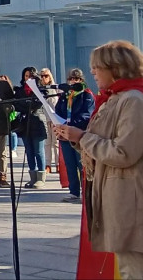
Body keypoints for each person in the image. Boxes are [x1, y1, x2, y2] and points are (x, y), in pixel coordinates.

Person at [56, 40, 143, 279]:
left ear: (116, 68)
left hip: (133, 200)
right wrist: (77, 138)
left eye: (97, 67)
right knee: (128, 268)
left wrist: (83, 138)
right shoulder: (117, 98)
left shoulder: (133, 100)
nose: (92, 72)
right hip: (123, 198)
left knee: (135, 271)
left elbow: (124, 153)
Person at [55, 68, 95, 204]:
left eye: (76, 79)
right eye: (71, 79)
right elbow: (58, 111)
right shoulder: (65, 96)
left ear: (81, 80)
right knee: (69, 164)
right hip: (64, 134)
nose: (73, 81)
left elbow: (87, 114)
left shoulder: (87, 95)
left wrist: (71, 124)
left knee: (81, 163)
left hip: (78, 134)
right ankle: (73, 191)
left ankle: (86, 191)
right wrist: (61, 125)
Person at [13, 67, 51, 189]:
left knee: (38, 151)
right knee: (29, 151)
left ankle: (41, 177)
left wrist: (26, 105)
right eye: (26, 76)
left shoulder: (40, 90)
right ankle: (32, 177)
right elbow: (17, 104)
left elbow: (37, 104)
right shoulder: (20, 91)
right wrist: (26, 105)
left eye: (31, 76)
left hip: (38, 123)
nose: (28, 78)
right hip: (25, 124)